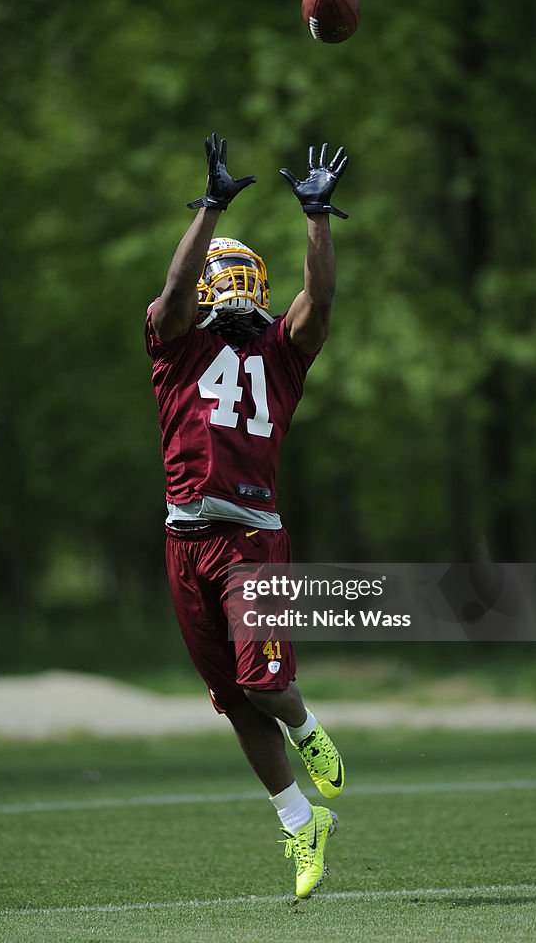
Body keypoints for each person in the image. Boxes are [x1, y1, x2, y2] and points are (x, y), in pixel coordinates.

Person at [145, 132, 349, 900]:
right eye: (216, 276)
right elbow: (170, 288)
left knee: (265, 689)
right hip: (182, 538)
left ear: (258, 286)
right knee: (231, 697)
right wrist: (209, 207)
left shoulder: (281, 348)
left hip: (250, 539)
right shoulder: (173, 343)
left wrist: (317, 217)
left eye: (240, 276)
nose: (227, 288)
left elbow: (319, 300)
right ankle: (301, 823)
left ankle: (304, 727)